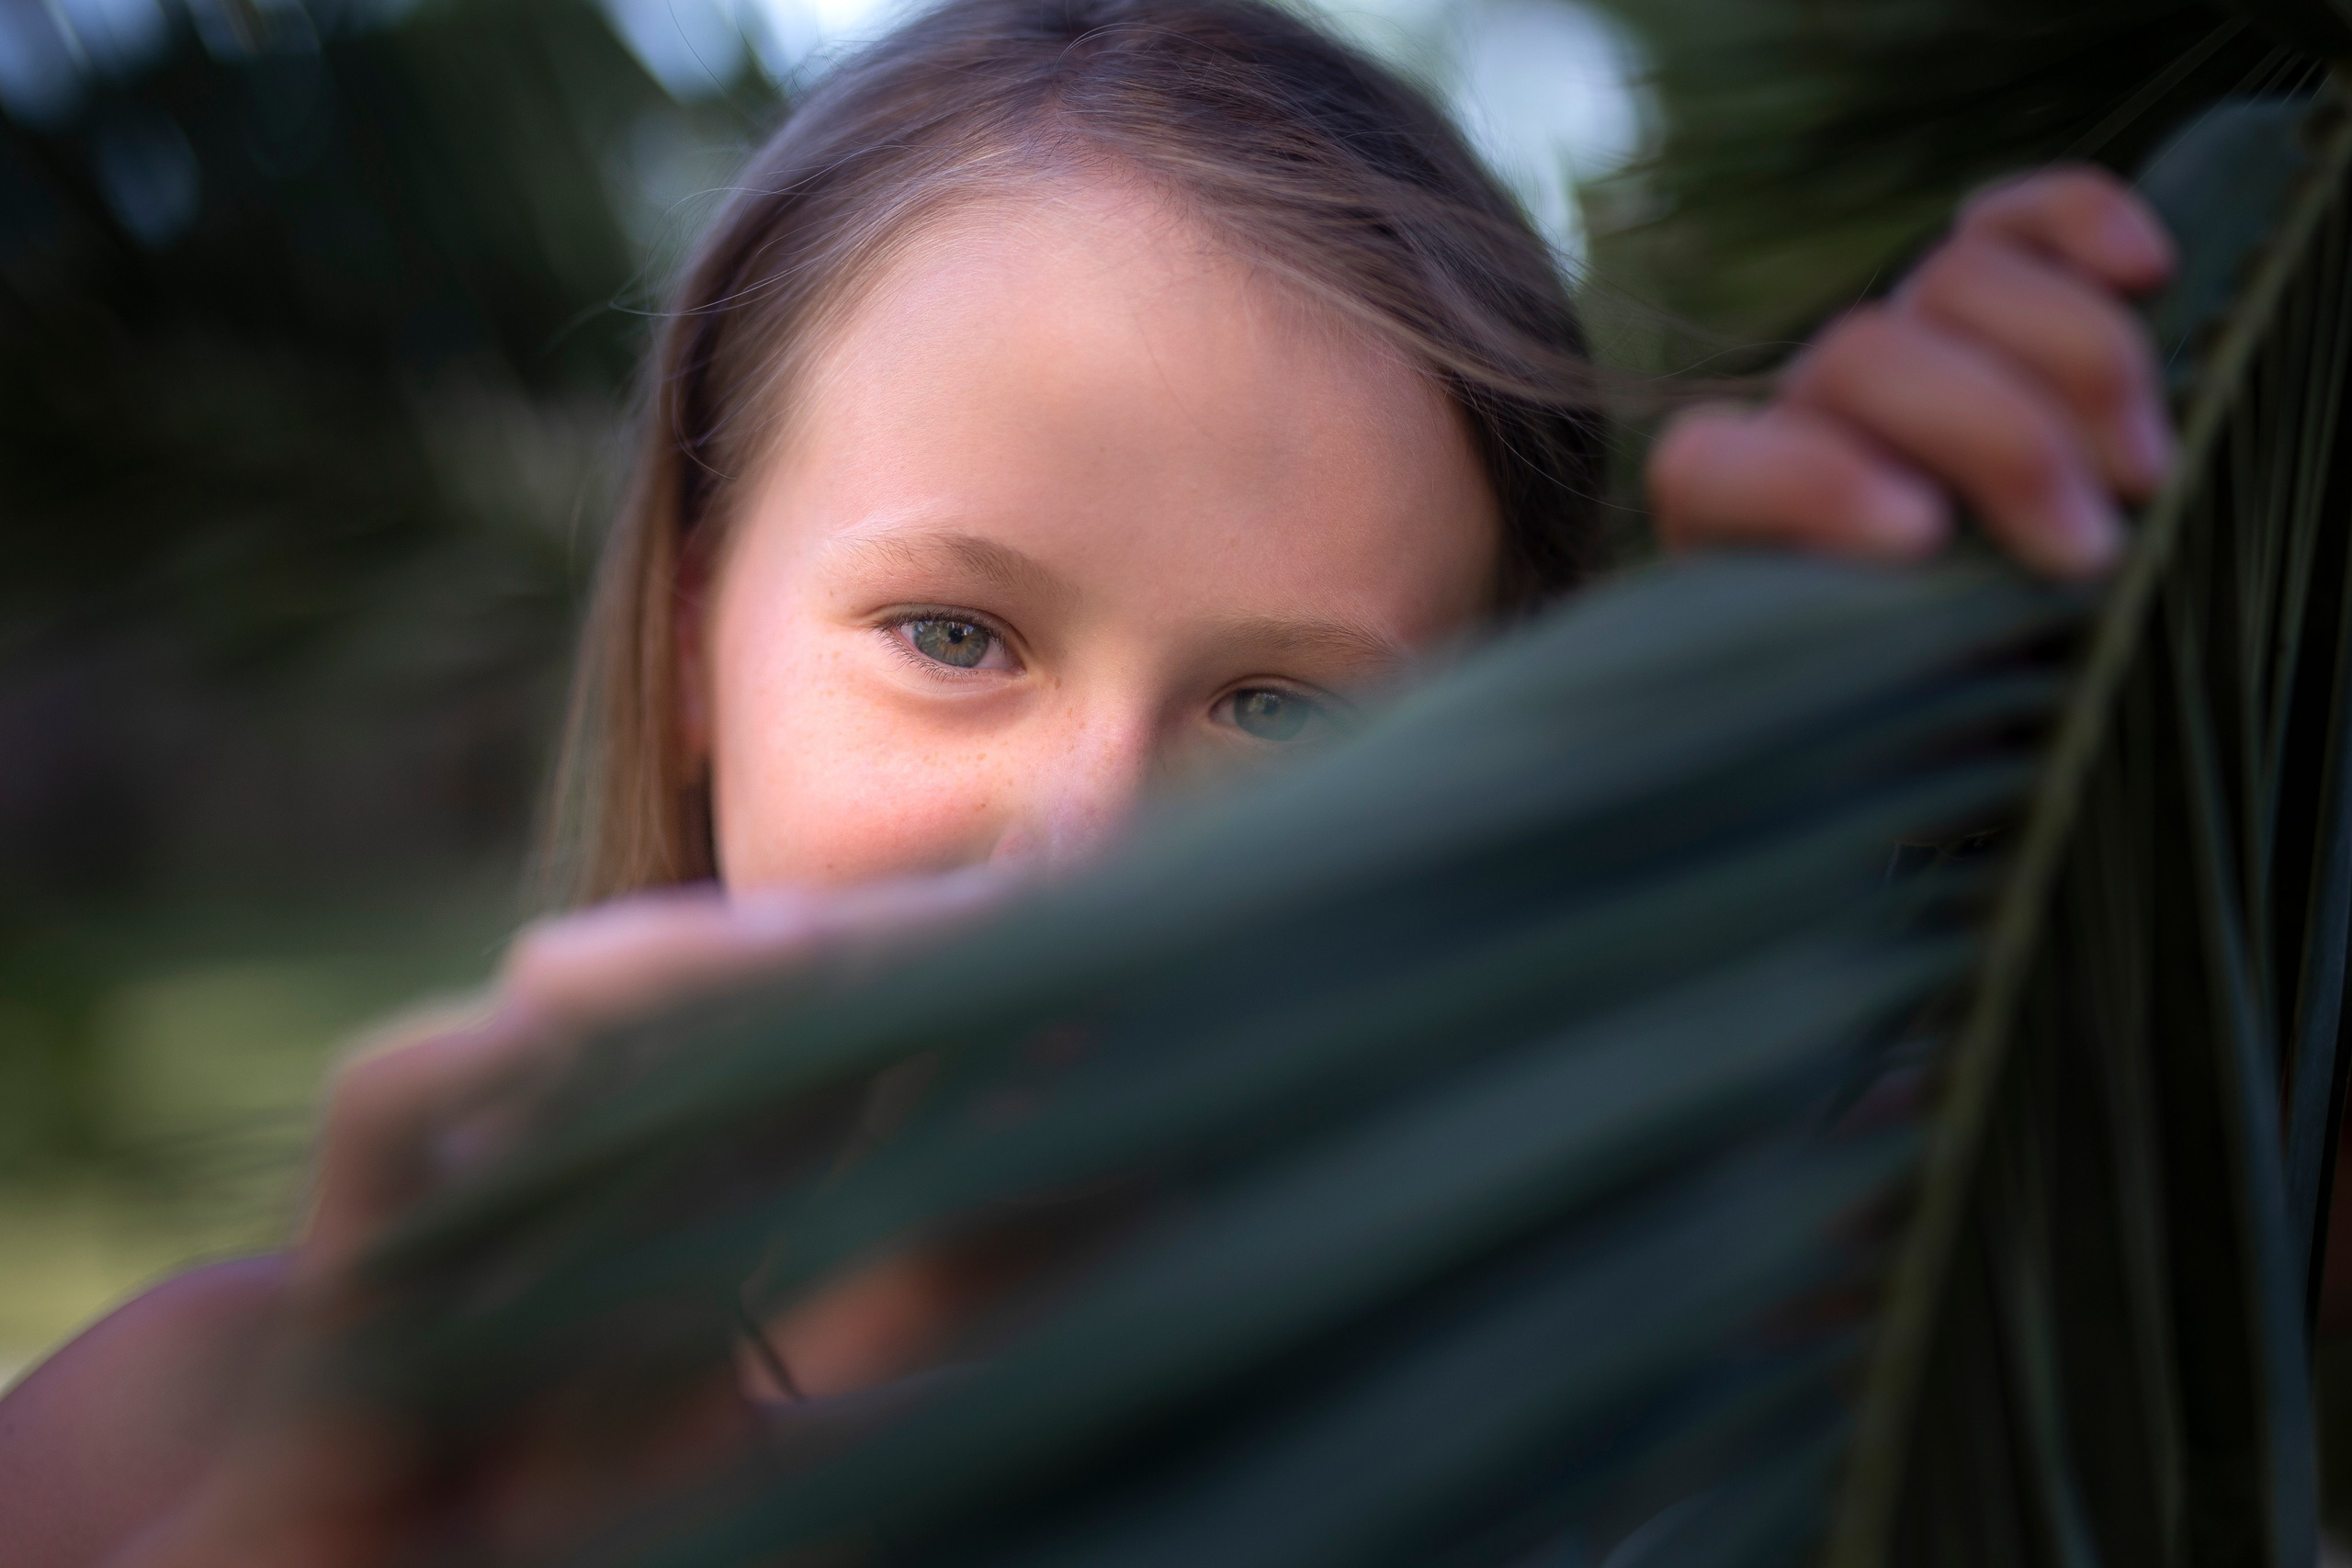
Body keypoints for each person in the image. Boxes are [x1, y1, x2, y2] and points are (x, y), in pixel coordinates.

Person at [0, 0, 2186, 1560]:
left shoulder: (1687, 1389)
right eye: (955, 637)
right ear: (686, 639)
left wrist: (2055, 657)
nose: (1089, 850)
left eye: (1283, 711)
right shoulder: (178, 1442)